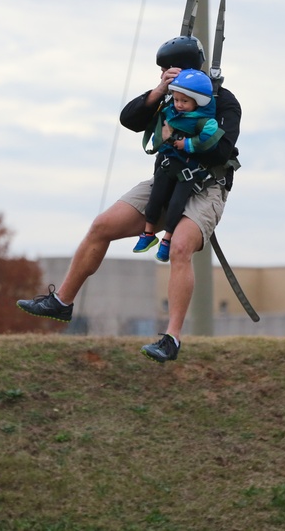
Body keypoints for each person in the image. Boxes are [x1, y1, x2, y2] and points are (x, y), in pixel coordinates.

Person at [17, 35, 241, 363]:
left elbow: (223, 149)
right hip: (166, 178)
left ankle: (171, 338)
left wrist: (188, 130)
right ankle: (62, 302)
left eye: (170, 69)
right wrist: (159, 93)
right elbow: (130, 119)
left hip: (206, 187)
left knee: (180, 247)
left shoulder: (223, 101)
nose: (167, 74)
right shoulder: (167, 97)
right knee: (102, 225)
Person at [133, 67, 224, 264]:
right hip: (167, 164)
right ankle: (148, 234)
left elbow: (210, 139)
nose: (179, 105)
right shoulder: (169, 111)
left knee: (176, 205)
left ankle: (167, 239)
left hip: (187, 171)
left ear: (197, 102)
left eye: (185, 101)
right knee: (155, 198)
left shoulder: (204, 121)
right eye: (176, 100)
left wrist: (186, 144)